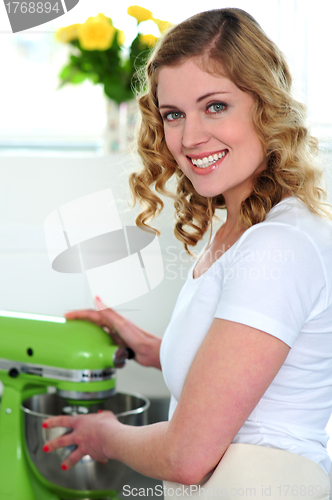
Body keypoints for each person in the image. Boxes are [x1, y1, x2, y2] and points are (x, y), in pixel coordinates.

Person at [43, 8, 332, 499]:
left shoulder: (278, 245)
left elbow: (188, 457)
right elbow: (249, 362)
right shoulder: (238, 229)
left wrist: (104, 434)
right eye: (173, 114)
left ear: (265, 105)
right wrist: (154, 348)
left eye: (214, 106)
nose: (190, 137)